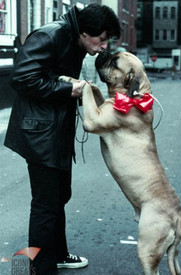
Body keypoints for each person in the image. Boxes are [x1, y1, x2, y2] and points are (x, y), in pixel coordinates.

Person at [4, 3, 120, 274]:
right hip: (40, 133)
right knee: (46, 203)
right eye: (101, 39)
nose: (103, 46)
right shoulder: (51, 35)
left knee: (59, 196)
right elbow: (21, 78)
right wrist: (68, 89)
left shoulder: (74, 40)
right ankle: (41, 268)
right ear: (85, 31)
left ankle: (57, 254)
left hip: (54, 130)